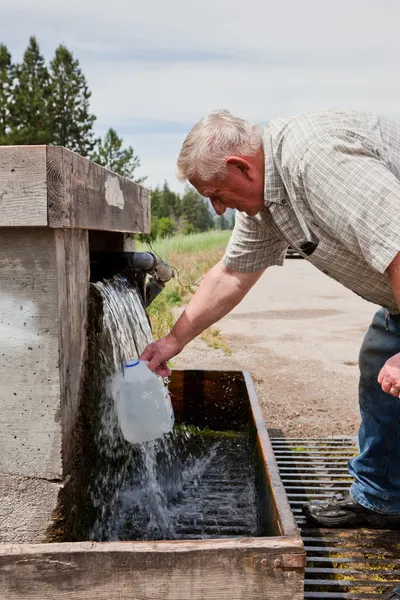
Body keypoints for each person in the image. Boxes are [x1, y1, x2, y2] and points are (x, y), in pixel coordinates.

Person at [141, 108, 400, 529]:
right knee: (380, 361)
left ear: (240, 166)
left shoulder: (317, 161)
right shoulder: (267, 199)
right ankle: (381, 496)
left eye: (215, 194)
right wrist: (173, 341)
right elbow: (231, 274)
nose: (219, 209)